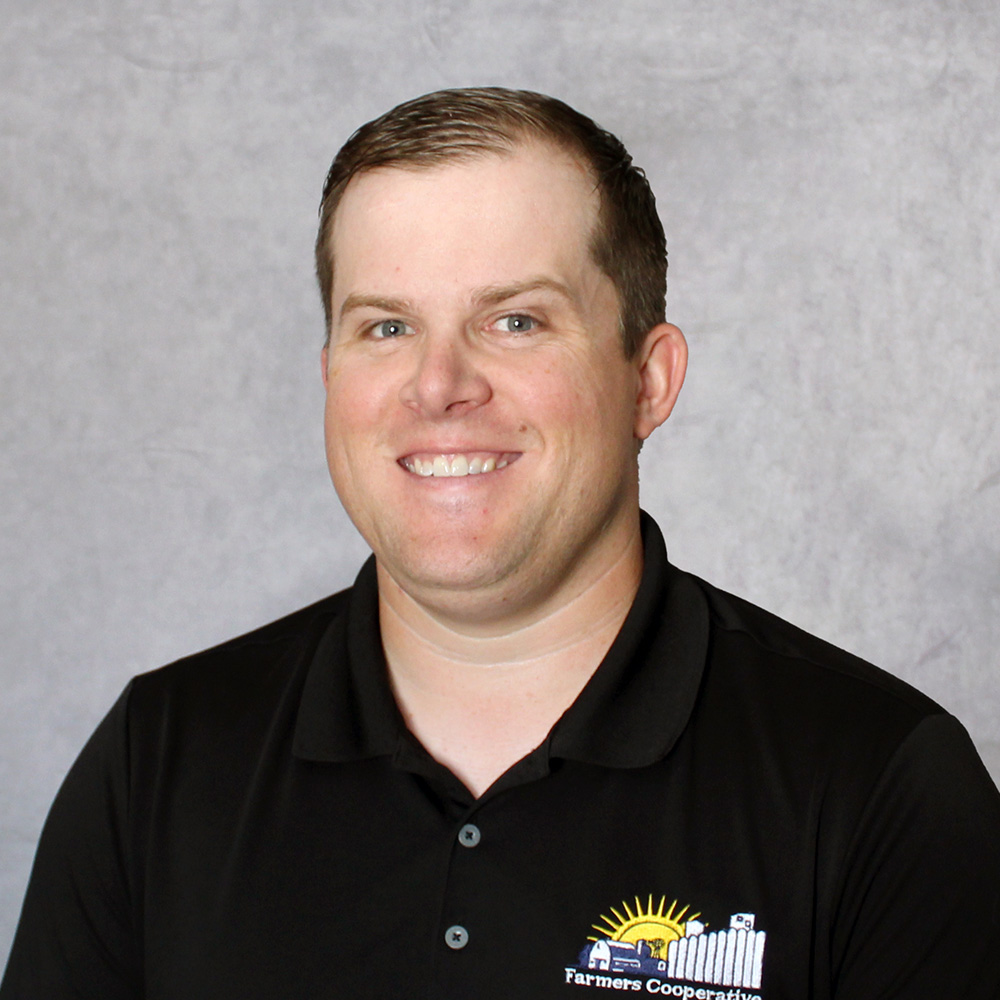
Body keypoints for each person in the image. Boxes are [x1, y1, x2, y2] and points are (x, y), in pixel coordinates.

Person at [2, 87, 999, 1000]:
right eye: (386, 327)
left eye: (515, 320)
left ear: (648, 381)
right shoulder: (158, 761)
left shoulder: (879, 787)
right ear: (328, 373)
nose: (438, 385)